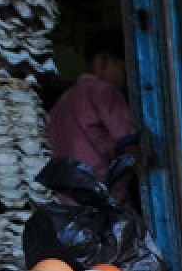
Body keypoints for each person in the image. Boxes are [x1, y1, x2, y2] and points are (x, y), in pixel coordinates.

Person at [47, 29, 138, 206]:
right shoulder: (105, 91)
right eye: (122, 70)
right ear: (103, 60)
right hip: (104, 202)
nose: (125, 80)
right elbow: (131, 150)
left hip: (66, 206)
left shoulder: (62, 102)